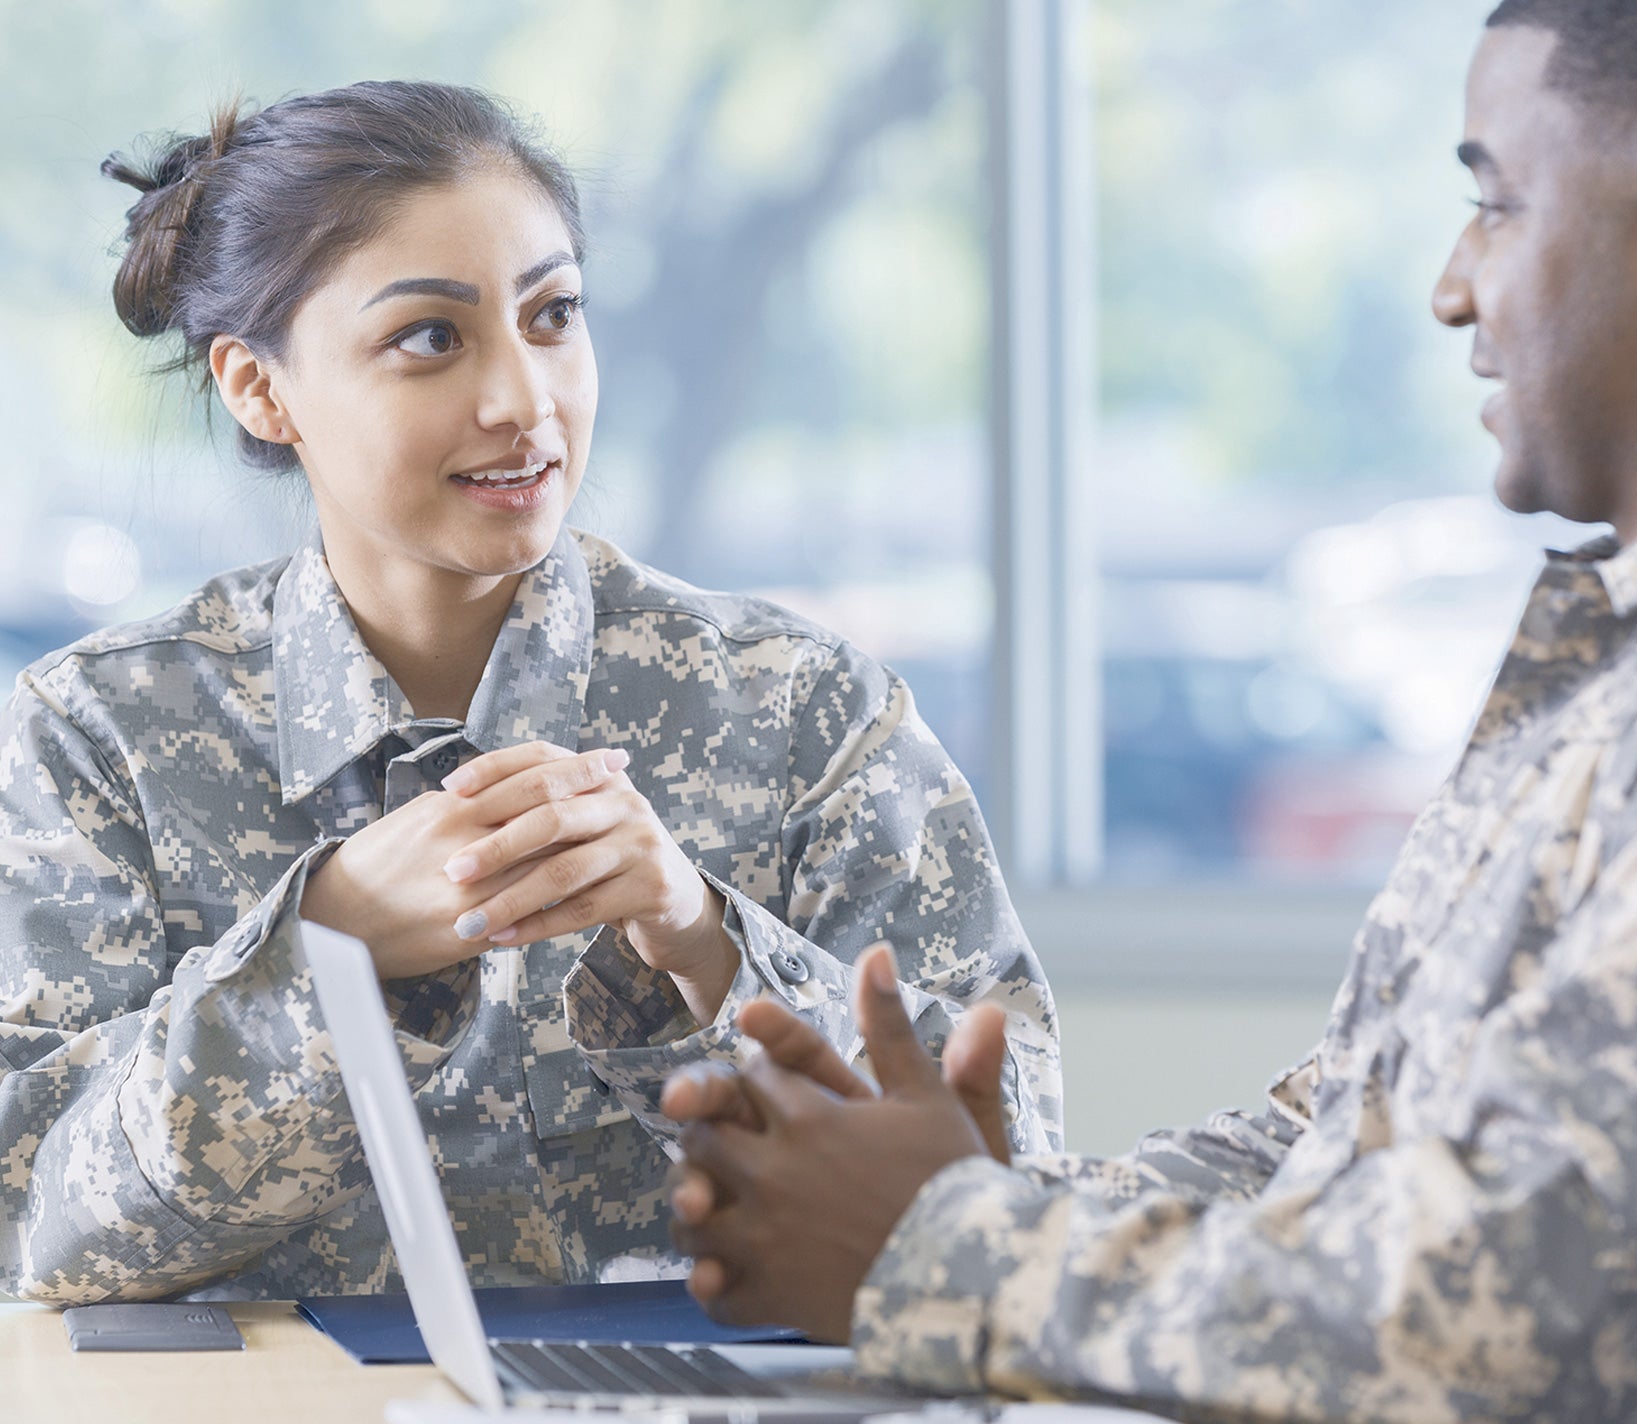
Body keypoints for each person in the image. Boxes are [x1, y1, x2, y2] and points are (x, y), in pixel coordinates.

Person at [660, 1, 1637, 1418]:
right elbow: (1342, 1152)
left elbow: (1530, 1322)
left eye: (1495, 206)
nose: (1453, 288)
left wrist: (950, 1247)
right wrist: (957, 1190)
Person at [0, 80, 1062, 1305]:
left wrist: (706, 946)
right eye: (431, 338)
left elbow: (1015, 1172)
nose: (524, 400)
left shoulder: (801, 712)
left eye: (553, 314)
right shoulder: (102, 738)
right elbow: (32, 1219)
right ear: (259, 387)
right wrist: (324, 948)